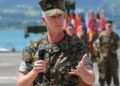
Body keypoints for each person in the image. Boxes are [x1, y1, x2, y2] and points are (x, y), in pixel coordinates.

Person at [16, 0, 95, 86]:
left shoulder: (77, 46)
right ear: (44, 20)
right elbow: (20, 84)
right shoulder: (32, 48)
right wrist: (33, 72)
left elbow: (91, 79)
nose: (57, 20)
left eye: (60, 15)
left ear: (64, 16)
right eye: (52, 16)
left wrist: (84, 73)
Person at [95, 20, 120, 86]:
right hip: (104, 58)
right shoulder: (102, 35)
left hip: (113, 58)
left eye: (110, 26)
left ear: (112, 27)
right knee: (103, 73)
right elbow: (97, 45)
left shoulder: (115, 35)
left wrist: (114, 50)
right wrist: (100, 54)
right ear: (105, 26)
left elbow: (118, 45)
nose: (109, 27)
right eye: (108, 26)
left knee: (114, 73)